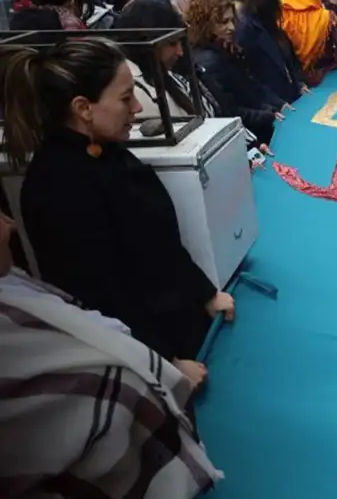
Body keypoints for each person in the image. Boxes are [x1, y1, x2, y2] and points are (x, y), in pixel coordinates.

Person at [0, 37, 235, 381]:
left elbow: (158, 243)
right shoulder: (56, 187)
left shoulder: (106, 151)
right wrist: (164, 361)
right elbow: (101, 297)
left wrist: (205, 294)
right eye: (125, 98)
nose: (137, 108)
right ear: (84, 108)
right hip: (150, 356)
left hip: (181, 324)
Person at [0, 208, 223, 499]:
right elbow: (102, 285)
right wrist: (163, 356)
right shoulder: (56, 196)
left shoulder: (14, 284)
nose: (10, 224)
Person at [186, 0, 286, 148]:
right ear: (206, 25)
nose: (232, 27)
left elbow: (250, 89)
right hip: (250, 138)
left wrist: (273, 107)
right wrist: (268, 115)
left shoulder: (226, 49)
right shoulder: (209, 61)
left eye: (232, 20)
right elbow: (229, 110)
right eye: (223, 22)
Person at [113, 0, 219, 120]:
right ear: (146, 41)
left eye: (180, 42)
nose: (180, 52)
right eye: (172, 43)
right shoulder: (135, 90)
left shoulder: (171, 74)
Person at [236, 0, 307, 103]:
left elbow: (288, 62)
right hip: (275, 106)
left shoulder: (268, 21)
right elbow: (249, 78)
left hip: (290, 99)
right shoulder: (245, 29)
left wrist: (298, 84)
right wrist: (276, 103)